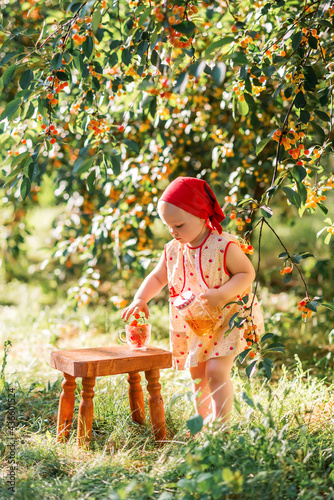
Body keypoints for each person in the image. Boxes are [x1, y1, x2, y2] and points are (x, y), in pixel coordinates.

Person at [122, 177, 264, 425]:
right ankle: (201, 421)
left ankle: (222, 427)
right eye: (168, 226)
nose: (173, 231)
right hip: (196, 323)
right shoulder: (174, 249)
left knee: (216, 372)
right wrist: (140, 298)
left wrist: (221, 294)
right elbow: (158, 277)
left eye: (178, 224)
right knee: (197, 375)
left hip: (228, 318)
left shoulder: (223, 244)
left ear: (201, 215)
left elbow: (246, 273)